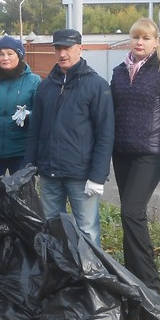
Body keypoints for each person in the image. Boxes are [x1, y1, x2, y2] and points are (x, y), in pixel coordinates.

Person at [109, 18, 160, 293]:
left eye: (145, 38)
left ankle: (150, 284)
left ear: (156, 42)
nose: (139, 43)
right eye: (135, 38)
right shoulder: (120, 71)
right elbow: (110, 111)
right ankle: (134, 275)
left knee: (132, 211)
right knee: (128, 214)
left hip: (150, 154)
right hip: (122, 153)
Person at [24, 28, 114, 246]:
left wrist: (98, 176)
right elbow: (35, 131)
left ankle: (90, 277)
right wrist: (29, 167)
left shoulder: (96, 85)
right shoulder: (46, 86)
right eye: (58, 48)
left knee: (87, 230)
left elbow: (105, 133)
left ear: (80, 49)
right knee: (50, 228)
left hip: (81, 175)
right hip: (49, 173)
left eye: (68, 48)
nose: (62, 54)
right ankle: (57, 274)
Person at [0, 35, 41, 184]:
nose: (5, 58)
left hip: (21, 151)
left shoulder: (33, 80)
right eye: (1, 54)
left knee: (21, 196)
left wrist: (28, 114)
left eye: (10, 54)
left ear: (19, 55)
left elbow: (41, 113)